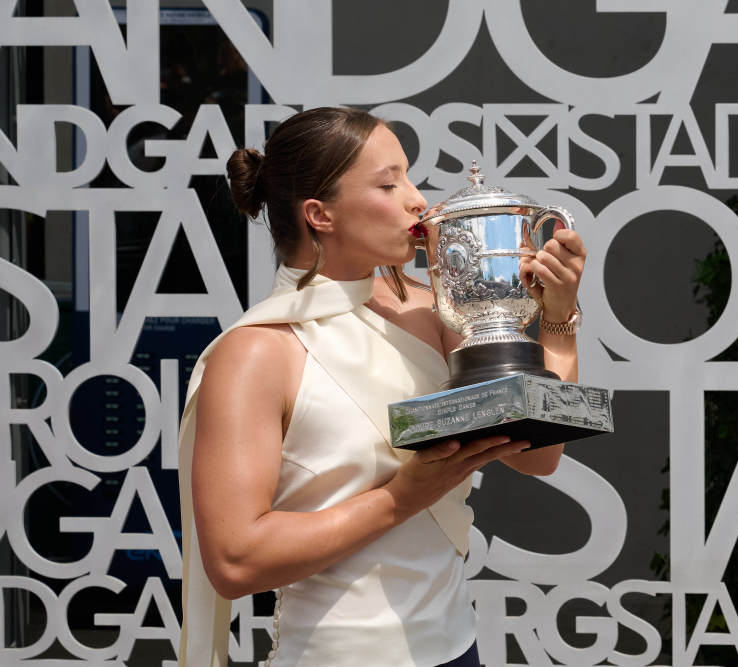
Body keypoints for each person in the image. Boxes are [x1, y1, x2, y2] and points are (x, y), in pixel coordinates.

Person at [176, 107, 586, 667]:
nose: (418, 200)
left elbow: (539, 456)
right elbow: (234, 562)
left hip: (456, 648)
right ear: (319, 214)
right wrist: (402, 497)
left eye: (410, 178)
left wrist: (558, 321)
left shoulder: (429, 309)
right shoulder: (255, 354)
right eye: (389, 184)